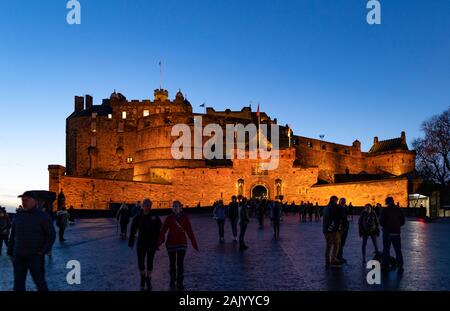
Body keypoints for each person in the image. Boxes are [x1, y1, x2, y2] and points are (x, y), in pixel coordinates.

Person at [8, 191, 56, 291]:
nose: (24, 202)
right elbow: (13, 235)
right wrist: (10, 251)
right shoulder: (18, 216)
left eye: (27, 200)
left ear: (35, 201)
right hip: (19, 256)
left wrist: (43, 251)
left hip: (35, 257)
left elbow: (51, 235)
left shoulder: (43, 216)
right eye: (22, 200)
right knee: (18, 284)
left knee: (40, 282)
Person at [159, 201, 199, 291]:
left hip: (182, 243)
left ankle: (180, 282)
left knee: (180, 263)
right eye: (173, 206)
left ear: (180, 207)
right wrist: (159, 242)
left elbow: (190, 231)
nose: (175, 208)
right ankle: (172, 280)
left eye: (176, 206)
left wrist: (194, 244)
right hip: (171, 244)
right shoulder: (169, 218)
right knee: (172, 263)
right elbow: (163, 231)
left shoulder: (185, 218)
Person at [129, 199, 161, 291]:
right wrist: (131, 241)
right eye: (146, 205)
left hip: (151, 243)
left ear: (151, 206)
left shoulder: (155, 217)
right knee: (141, 262)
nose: (147, 207)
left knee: (150, 262)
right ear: (142, 206)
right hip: (141, 243)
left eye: (149, 205)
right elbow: (133, 229)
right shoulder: (137, 217)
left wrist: (158, 241)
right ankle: (143, 277)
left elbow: (160, 229)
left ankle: (148, 279)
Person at [380, 197, 405, 273]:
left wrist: (386, 226)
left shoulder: (385, 210)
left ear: (387, 202)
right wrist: (397, 226)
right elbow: (403, 221)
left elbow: (381, 221)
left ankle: (385, 266)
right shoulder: (399, 209)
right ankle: (400, 265)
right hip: (396, 233)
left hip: (387, 233)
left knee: (386, 250)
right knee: (398, 250)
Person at [323, 196, 341, 268]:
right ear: (334, 200)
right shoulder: (333, 207)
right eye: (336, 200)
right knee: (337, 244)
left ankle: (327, 260)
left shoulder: (325, 208)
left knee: (328, 245)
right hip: (332, 230)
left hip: (325, 230)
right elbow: (336, 218)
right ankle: (333, 259)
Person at [336, 198, 349, 263]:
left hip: (343, 228)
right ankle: (338, 257)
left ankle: (339, 256)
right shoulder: (339, 209)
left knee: (341, 244)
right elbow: (340, 219)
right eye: (343, 202)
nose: (344, 203)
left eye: (344, 202)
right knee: (339, 243)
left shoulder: (342, 208)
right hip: (341, 229)